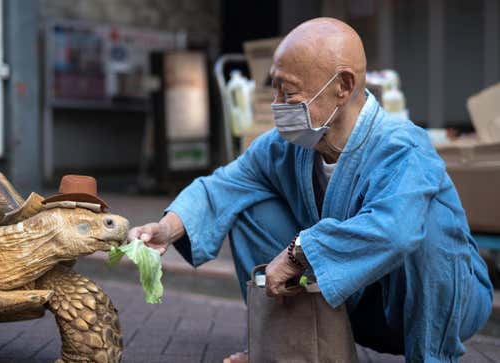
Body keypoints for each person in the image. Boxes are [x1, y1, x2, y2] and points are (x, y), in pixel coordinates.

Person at [128, 17, 493, 362]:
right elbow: (225, 185)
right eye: (274, 89)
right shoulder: (284, 147)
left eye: (288, 93)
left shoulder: (403, 146)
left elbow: (395, 229)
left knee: (420, 223)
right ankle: (285, 348)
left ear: (343, 87)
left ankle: (434, 356)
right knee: (248, 205)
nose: (276, 105)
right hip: (351, 304)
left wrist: (299, 252)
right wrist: (166, 228)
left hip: (426, 310)